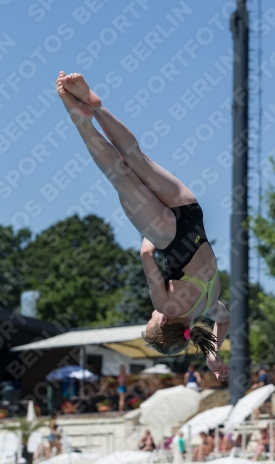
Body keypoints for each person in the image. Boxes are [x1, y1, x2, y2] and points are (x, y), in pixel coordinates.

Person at [56, 72, 230, 382]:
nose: (152, 314)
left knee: (137, 158)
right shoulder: (165, 304)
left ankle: (95, 105)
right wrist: (147, 235)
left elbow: (225, 320)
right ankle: (83, 120)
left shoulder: (210, 303)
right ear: (164, 321)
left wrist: (213, 354)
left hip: (190, 213)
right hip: (167, 235)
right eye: (152, 320)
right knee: (120, 175)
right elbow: (147, 257)